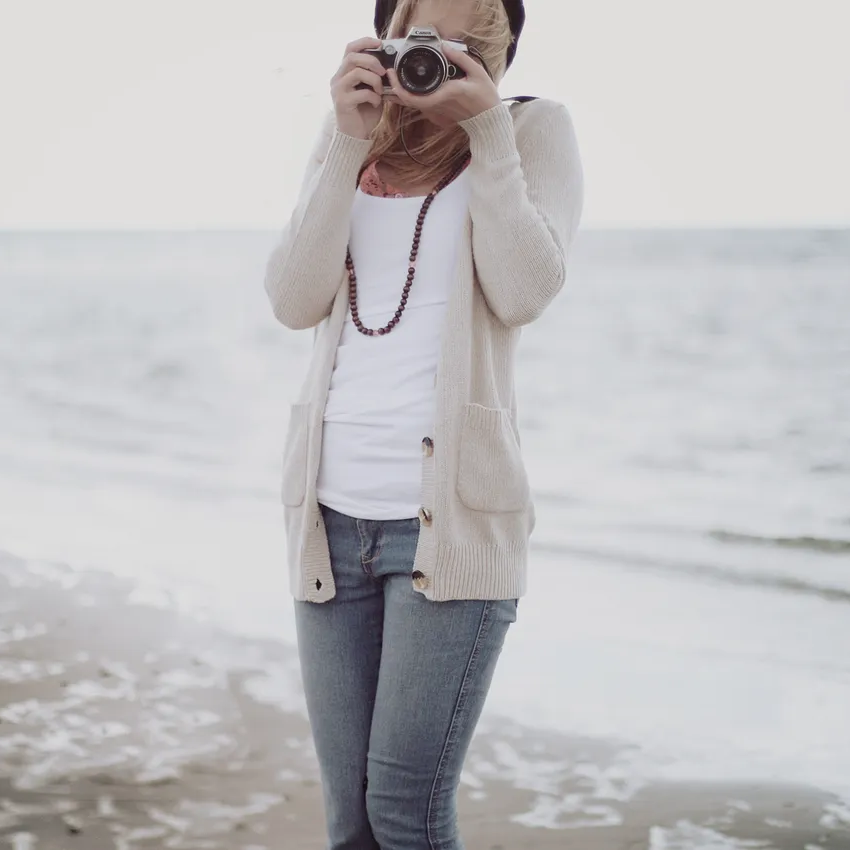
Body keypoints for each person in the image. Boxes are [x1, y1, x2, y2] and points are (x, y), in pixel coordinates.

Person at [263, 0, 583, 846]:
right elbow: (294, 300)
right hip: (328, 523)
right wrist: (344, 137)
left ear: (500, 46)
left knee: (405, 812)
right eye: (419, 38)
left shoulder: (532, 131)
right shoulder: (350, 136)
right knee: (350, 822)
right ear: (385, 34)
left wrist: (486, 135)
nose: (436, 56)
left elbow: (525, 292)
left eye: (465, 40)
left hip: (450, 526)